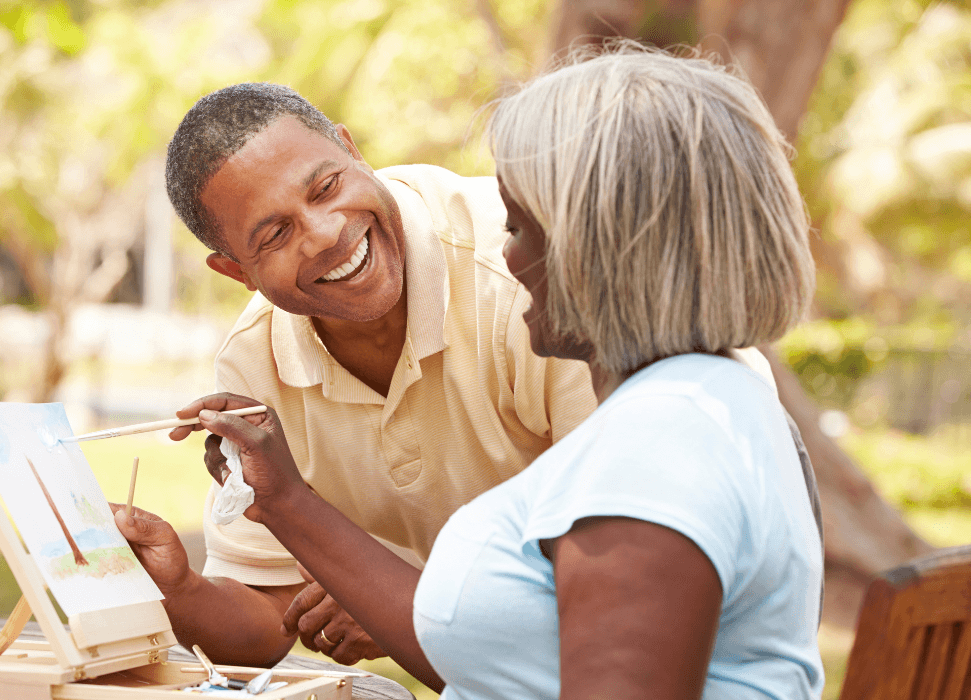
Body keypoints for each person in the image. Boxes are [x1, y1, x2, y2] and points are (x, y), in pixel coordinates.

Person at [126, 43, 825, 699]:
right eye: (274, 233)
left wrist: (376, 582)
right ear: (234, 272)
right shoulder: (685, 409)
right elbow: (534, 657)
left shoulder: (653, 448)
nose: (507, 256)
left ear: (610, 247)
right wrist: (237, 541)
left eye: (519, 226)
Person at [112, 81, 602, 667]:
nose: (325, 233)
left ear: (351, 150)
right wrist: (179, 587)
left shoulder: (533, 274)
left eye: (326, 187)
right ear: (234, 270)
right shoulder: (255, 361)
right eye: (274, 234)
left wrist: (393, 603)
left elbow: (619, 602)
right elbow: (267, 623)